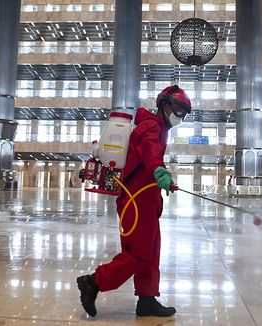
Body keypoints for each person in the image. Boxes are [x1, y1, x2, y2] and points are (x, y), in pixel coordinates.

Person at [76, 85, 192, 318]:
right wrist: (160, 171)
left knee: (150, 252)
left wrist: (160, 175)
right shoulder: (151, 127)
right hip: (135, 200)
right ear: (164, 105)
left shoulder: (159, 128)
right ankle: (93, 282)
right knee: (138, 253)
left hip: (147, 201)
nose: (180, 116)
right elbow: (151, 155)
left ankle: (147, 300)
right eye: (178, 109)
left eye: (184, 112)